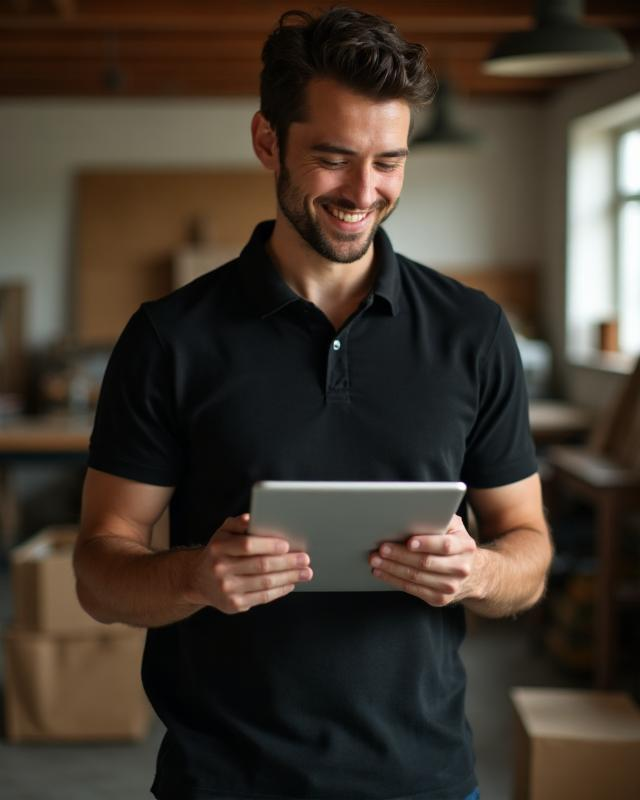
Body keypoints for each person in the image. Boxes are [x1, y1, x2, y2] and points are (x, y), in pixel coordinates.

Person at [74, 7, 552, 800]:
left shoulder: (473, 332)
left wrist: (478, 571)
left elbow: (529, 552)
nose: (364, 192)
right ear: (268, 141)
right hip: (223, 782)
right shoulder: (170, 339)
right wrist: (194, 577)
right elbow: (98, 569)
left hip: (426, 781)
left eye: (389, 162)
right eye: (333, 159)